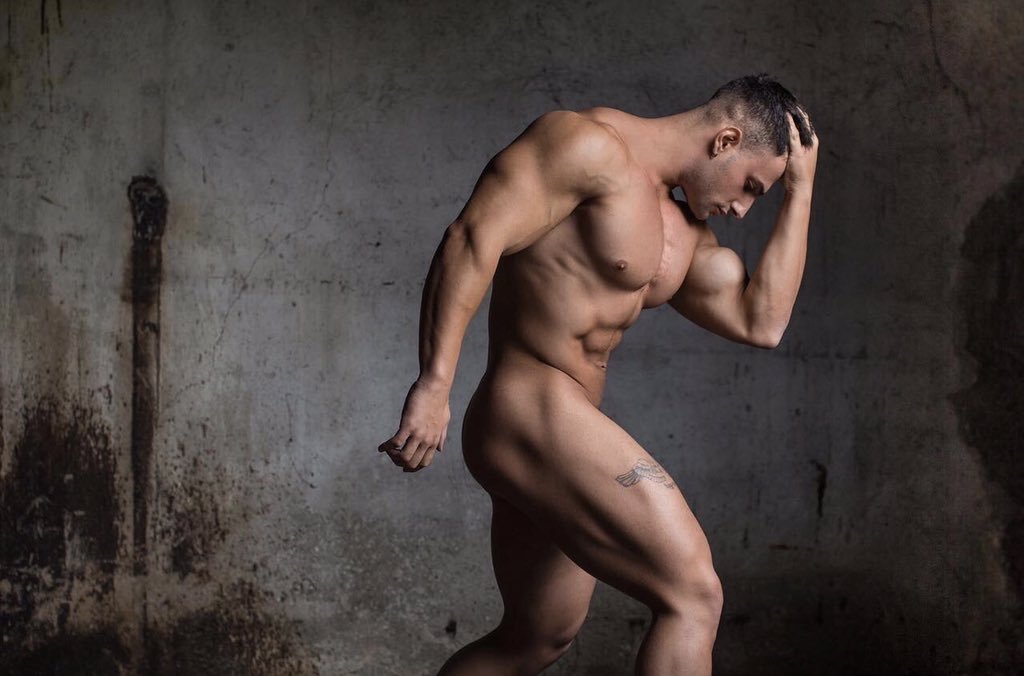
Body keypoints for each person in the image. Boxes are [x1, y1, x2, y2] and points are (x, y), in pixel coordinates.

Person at [378, 74, 818, 676]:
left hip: (564, 424)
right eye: (751, 186)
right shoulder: (586, 145)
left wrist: (800, 192)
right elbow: (473, 238)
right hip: (526, 401)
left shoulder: (684, 231)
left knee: (537, 637)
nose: (742, 209)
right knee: (694, 594)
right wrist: (435, 382)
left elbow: (761, 322)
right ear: (726, 140)